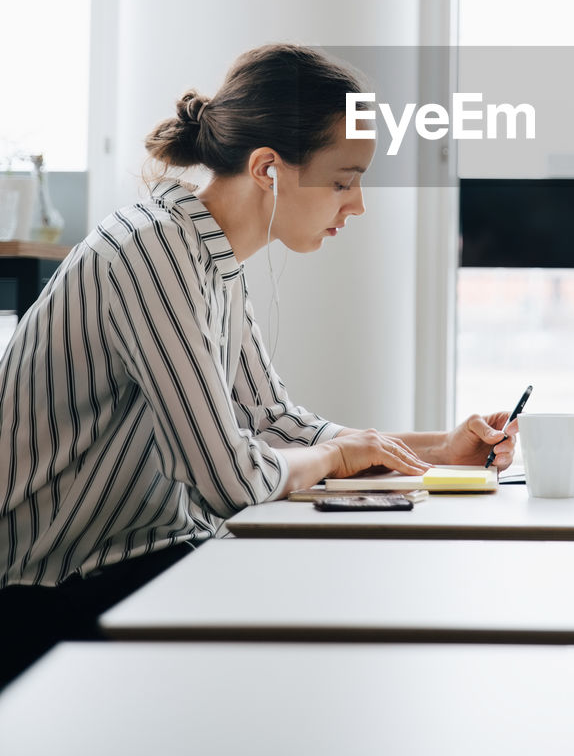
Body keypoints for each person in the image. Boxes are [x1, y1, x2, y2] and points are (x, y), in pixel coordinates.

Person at [0, 44, 517, 686]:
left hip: (142, 561)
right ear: (269, 168)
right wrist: (334, 458)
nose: (356, 206)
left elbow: (273, 422)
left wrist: (440, 449)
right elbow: (232, 481)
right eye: (344, 180)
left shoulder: (205, 254)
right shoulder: (154, 250)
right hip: (50, 595)